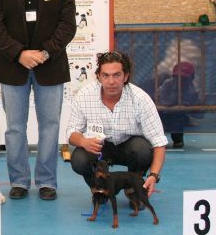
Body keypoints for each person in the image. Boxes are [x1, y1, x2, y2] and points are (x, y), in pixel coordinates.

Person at [0, 0, 77, 201]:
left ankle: (47, 181)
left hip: (51, 65)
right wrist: (19, 53)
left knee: (50, 125)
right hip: (12, 66)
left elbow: (68, 24)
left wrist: (45, 52)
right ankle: (19, 181)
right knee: (15, 127)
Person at [68, 51, 167, 197]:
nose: (111, 81)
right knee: (79, 159)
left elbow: (159, 142)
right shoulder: (84, 95)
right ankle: (98, 189)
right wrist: (83, 141)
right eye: (105, 75)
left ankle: (133, 186)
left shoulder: (141, 99)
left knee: (143, 149)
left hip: (130, 147)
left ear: (126, 76)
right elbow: (72, 133)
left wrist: (154, 175)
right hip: (100, 149)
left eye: (117, 75)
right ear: (98, 77)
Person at [157, 61, 199, 148]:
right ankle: (158, 140)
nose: (180, 80)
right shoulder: (167, 83)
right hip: (163, 111)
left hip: (177, 114)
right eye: (177, 77)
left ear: (191, 78)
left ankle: (178, 140)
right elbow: (160, 98)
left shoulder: (192, 90)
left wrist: (178, 107)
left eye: (184, 78)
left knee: (178, 118)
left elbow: (187, 105)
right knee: (155, 118)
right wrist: (171, 105)